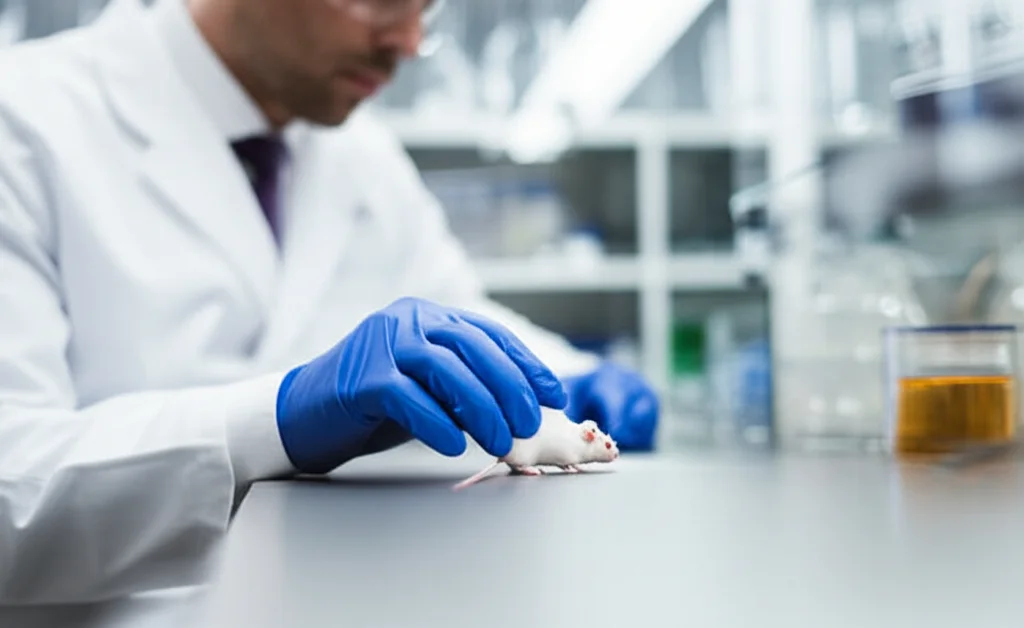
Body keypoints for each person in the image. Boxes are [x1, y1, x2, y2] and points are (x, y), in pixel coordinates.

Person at [0, 0, 659, 625]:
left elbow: (454, 309)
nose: (406, 44)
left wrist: (566, 379)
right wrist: (273, 419)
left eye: (424, 11)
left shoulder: (356, 151)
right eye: (377, 1)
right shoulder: (24, 120)